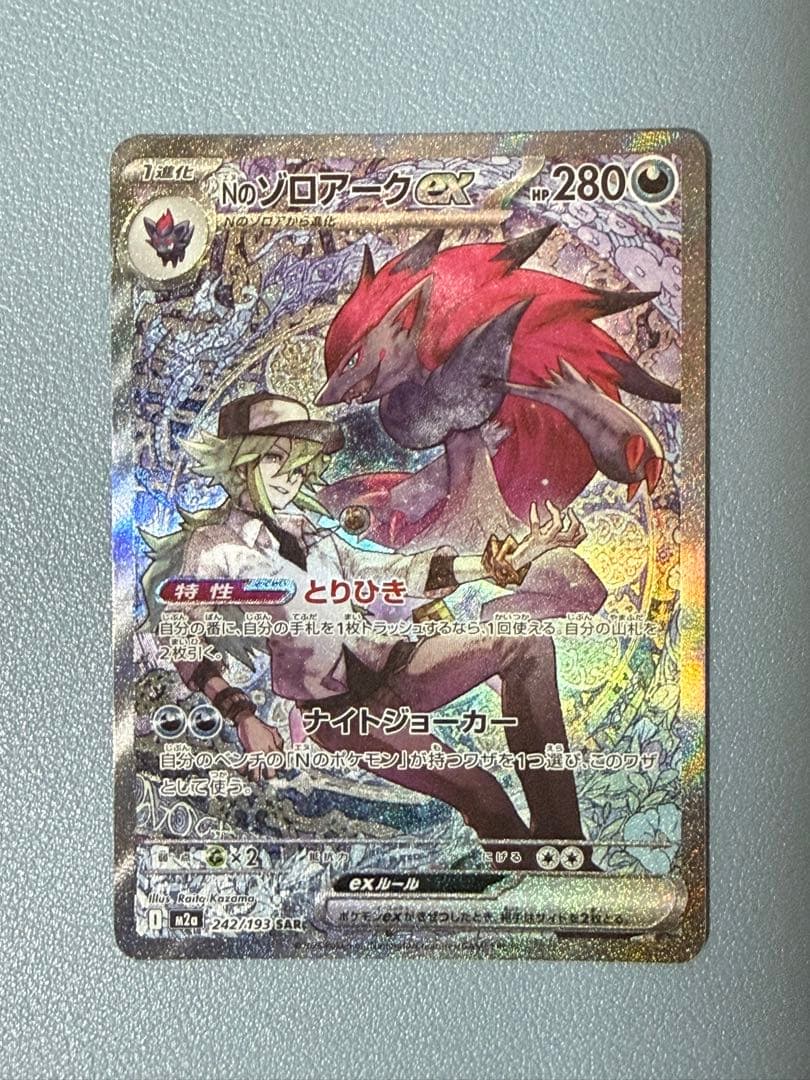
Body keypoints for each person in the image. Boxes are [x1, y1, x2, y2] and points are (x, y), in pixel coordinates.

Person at [142, 391, 602, 859]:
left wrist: (489, 565)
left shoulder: (314, 534)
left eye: (299, 466)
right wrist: (242, 714)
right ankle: (537, 872)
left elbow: (390, 575)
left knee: (526, 643)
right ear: (240, 462)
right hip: (339, 712)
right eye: (276, 458)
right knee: (481, 792)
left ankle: (565, 844)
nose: (290, 477)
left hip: (399, 665)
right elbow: (180, 632)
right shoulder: (217, 548)